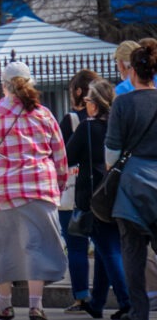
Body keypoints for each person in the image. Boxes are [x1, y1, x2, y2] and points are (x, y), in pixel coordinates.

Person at [0, 62, 68, 320]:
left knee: (4, 247)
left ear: (3, 85)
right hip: (39, 187)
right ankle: (35, 305)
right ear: (30, 82)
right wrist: (58, 185)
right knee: (37, 247)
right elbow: (60, 155)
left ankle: (4, 304)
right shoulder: (44, 114)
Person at [65, 80, 131, 318]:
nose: (86, 105)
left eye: (88, 101)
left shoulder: (87, 127)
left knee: (108, 249)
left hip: (94, 198)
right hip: (119, 194)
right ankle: (98, 303)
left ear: (95, 104)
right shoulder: (120, 125)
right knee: (105, 249)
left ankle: (126, 302)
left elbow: (68, 157)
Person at [106, 39, 157, 320]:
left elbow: (111, 153)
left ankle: (139, 311)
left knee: (133, 254)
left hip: (131, 187)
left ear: (131, 71)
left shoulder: (123, 103)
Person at [59, 69, 99, 313]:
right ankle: (105, 292)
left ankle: (81, 296)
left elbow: (62, 155)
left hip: (73, 191)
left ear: (77, 91)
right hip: (101, 191)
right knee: (104, 245)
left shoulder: (71, 120)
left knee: (76, 245)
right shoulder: (106, 119)